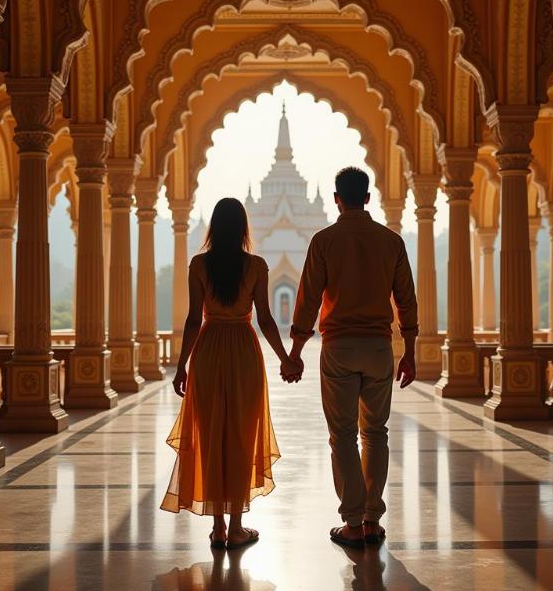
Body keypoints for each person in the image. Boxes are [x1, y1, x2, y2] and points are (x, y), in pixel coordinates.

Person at [285, 167, 418, 549]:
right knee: (375, 433)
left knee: (342, 435)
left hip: (339, 347)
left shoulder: (325, 240)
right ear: (369, 198)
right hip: (379, 347)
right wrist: (408, 352)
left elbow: (308, 299)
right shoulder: (390, 242)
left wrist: (295, 352)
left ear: (336, 199)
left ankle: (354, 521)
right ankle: (374, 519)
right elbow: (406, 301)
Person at [162, 197, 303, 549]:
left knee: (211, 435)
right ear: (242, 228)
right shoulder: (255, 265)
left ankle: (219, 526)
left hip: (208, 351)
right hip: (243, 350)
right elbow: (267, 320)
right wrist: (286, 358)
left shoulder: (199, 265)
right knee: (240, 435)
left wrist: (181, 365)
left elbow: (195, 320)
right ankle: (238, 525)